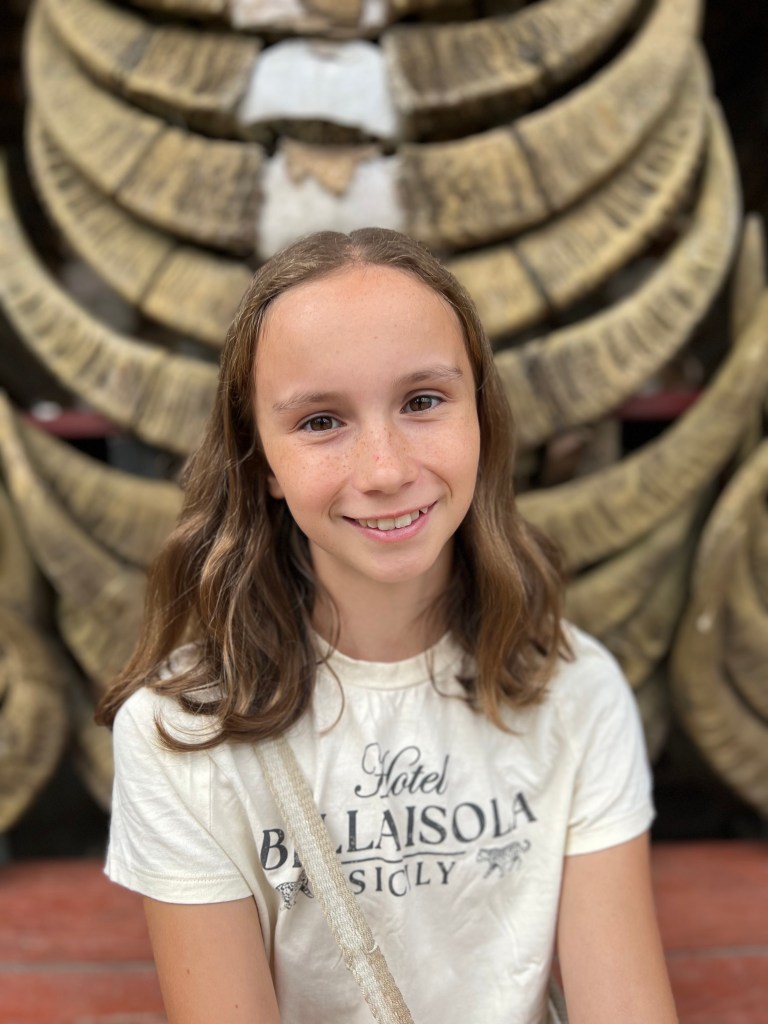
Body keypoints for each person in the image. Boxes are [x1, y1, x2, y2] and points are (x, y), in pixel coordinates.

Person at [97, 228, 678, 1024]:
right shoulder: (181, 734)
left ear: (481, 417)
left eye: (423, 402)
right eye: (320, 422)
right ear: (262, 462)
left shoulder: (575, 692)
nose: (386, 470)